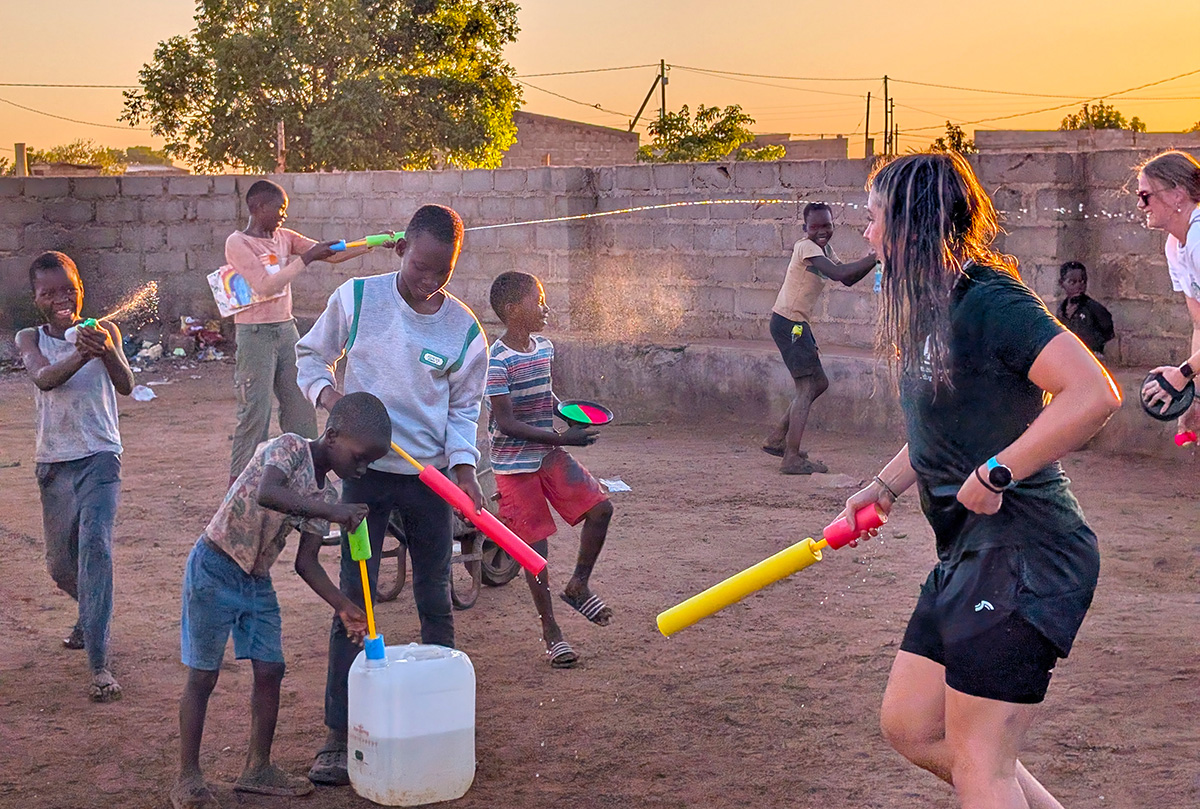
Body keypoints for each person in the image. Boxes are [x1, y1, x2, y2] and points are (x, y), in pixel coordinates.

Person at [838, 152, 1120, 808]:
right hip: (970, 554)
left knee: (981, 761)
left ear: (909, 224)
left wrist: (999, 470)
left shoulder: (989, 299)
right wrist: (883, 485)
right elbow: (946, 426)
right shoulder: (926, 308)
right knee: (910, 724)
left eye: (873, 218)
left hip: (1028, 552)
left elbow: (1093, 392)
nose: (866, 232)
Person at [295, 204, 489, 785]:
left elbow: (462, 410)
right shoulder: (357, 299)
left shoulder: (464, 330)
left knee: (435, 595)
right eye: (422, 266)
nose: (430, 280)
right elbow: (310, 356)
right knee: (357, 599)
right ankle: (339, 730)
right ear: (402, 248)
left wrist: (463, 466)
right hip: (365, 473)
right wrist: (331, 400)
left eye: (443, 271)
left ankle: (439, 719)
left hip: (427, 480)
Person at [169, 392, 390, 809]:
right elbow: (269, 493)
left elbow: (306, 563)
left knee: (271, 670)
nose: (361, 469)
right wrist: (334, 515)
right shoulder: (288, 446)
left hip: (256, 580)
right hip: (214, 566)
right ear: (332, 436)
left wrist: (343, 605)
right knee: (203, 676)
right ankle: (188, 776)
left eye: (368, 463)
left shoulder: (325, 496)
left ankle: (257, 768)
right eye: (359, 458)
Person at [16, 251, 134, 703]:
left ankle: (100, 666)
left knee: (96, 549)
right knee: (62, 566)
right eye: (49, 292)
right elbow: (44, 379)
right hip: (54, 461)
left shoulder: (105, 331)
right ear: (36, 298)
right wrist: (84, 356)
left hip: (101, 456)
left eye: (68, 289)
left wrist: (104, 350)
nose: (60, 299)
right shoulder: (30, 337)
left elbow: (124, 384)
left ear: (80, 287)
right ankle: (90, 616)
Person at [486, 271, 615, 669]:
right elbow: (505, 422)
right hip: (515, 464)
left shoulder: (543, 348)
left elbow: (546, 397)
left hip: (547, 453)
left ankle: (578, 585)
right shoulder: (496, 360)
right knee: (535, 553)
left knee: (601, 509)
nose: (546, 308)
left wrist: (571, 416)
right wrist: (563, 439)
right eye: (537, 301)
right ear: (512, 310)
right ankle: (551, 632)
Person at [224, 179, 368, 485]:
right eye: (279, 209)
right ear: (257, 207)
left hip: (285, 331)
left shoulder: (284, 237)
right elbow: (264, 286)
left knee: (301, 410)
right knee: (255, 416)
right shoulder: (238, 243)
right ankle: (240, 488)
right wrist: (306, 257)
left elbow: (331, 254)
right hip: (254, 335)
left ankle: (307, 478)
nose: (283, 216)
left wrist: (375, 242)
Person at [763, 202, 878, 474]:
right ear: (805, 229)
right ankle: (791, 457)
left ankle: (778, 438)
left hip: (796, 324)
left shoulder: (824, 250)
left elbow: (847, 279)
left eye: (826, 225)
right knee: (806, 387)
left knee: (818, 383)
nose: (822, 231)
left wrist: (875, 259)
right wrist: (875, 257)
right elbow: (839, 273)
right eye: (815, 227)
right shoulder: (806, 247)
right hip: (789, 324)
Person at [1134, 150, 1200, 436]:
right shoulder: (1176, 245)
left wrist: (1183, 374)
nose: (1140, 204)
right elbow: (1199, 322)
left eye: (1146, 196)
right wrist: (1195, 396)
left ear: (1178, 195)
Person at [1056, 261, 1115, 356]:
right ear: (1061, 283)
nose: (1079, 286)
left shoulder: (1095, 309)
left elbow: (1108, 332)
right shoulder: (1061, 310)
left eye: (1083, 281)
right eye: (1072, 282)